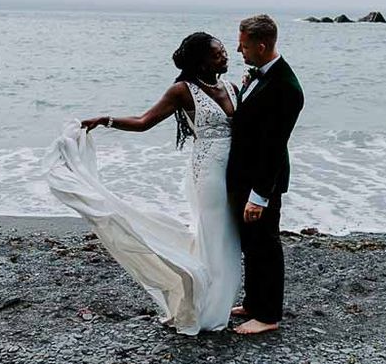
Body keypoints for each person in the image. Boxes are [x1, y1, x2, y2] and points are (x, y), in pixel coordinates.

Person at [45, 32, 241, 335]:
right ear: (201, 61)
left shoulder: (233, 86)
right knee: (215, 236)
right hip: (209, 171)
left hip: (236, 171)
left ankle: (218, 301)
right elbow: (144, 121)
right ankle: (206, 310)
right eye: (217, 53)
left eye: (224, 51)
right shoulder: (182, 90)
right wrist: (105, 120)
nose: (225, 56)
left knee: (230, 238)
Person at [227, 14, 304, 335]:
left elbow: (273, 147)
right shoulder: (261, 76)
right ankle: (254, 301)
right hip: (246, 174)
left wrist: (260, 196)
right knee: (251, 244)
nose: (238, 50)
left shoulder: (285, 87)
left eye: (243, 46)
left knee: (266, 244)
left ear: (260, 46)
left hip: (263, 179)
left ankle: (269, 315)